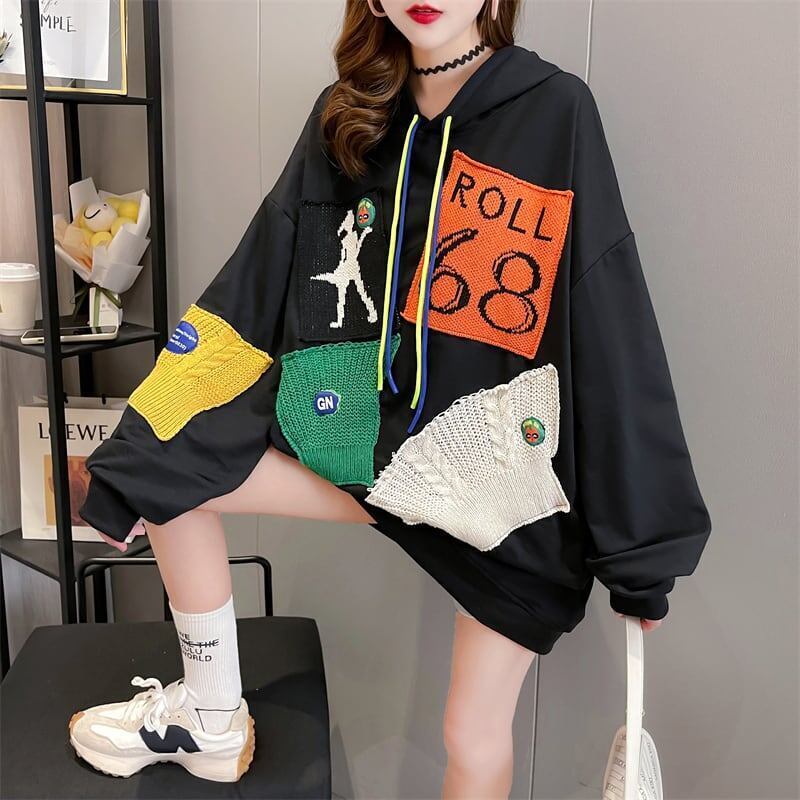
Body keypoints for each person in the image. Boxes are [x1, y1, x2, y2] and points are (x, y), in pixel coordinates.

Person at [69, 0, 712, 795]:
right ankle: (210, 715)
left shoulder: (555, 113)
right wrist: (148, 431)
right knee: (165, 454)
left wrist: (642, 550)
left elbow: (608, 317)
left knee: (471, 735)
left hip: (493, 473)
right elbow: (260, 272)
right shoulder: (348, 114)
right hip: (358, 436)